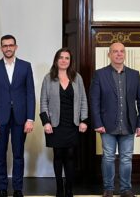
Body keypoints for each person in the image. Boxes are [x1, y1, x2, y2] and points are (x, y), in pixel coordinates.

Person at [90, 42, 140, 197]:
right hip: (106, 126)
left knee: (126, 159)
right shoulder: (100, 74)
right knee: (108, 157)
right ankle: (108, 189)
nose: (119, 54)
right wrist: (97, 123)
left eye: (122, 51)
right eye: (115, 51)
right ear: (109, 55)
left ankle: (125, 189)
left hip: (129, 124)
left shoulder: (134, 74)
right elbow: (94, 100)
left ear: (125, 54)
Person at [0, 35, 35, 197]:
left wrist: (30, 118)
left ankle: (18, 189)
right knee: (0, 155)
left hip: (20, 119)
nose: (8, 48)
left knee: (18, 154)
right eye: (5, 46)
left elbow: (30, 94)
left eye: (11, 45)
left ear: (16, 47)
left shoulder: (25, 66)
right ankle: (2, 188)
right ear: (1, 48)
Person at [39, 48, 88, 197]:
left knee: (71, 155)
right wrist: (46, 122)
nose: (64, 60)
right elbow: (43, 102)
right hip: (55, 124)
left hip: (72, 124)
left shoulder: (77, 77)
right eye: (61, 57)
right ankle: (59, 188)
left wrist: (84, 120)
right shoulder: (49, 78)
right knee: (58, 155)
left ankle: (69, 189)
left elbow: (83, 100)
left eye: (67, 58)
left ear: (70, 61)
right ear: (56, 60)